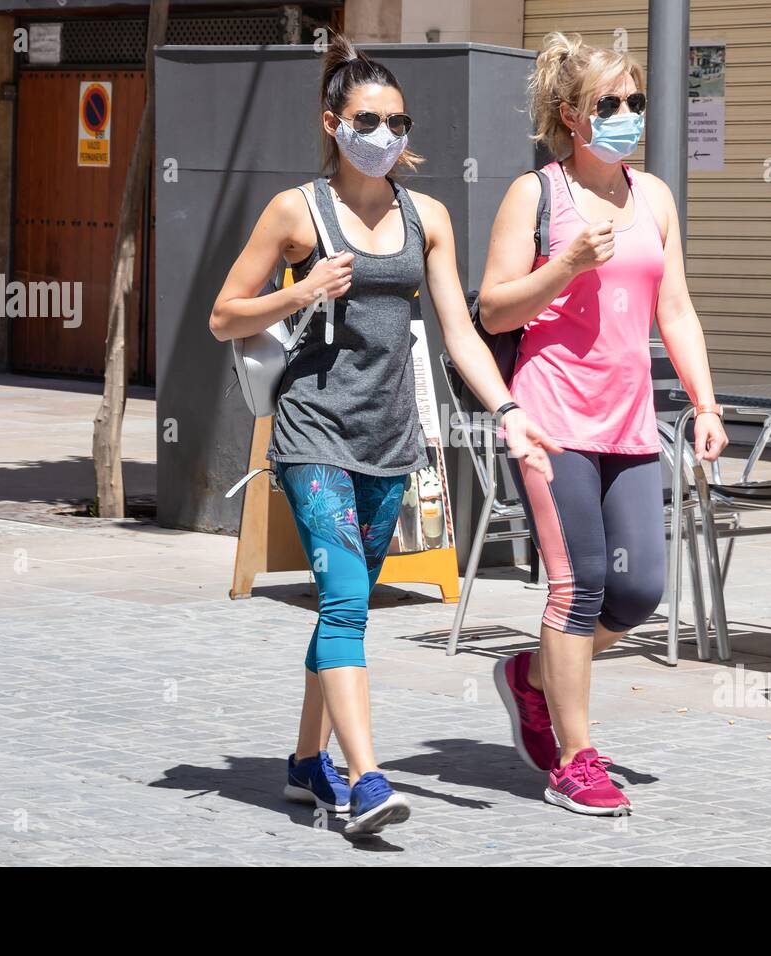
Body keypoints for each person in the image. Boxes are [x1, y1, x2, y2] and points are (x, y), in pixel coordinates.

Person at [209, 34, 560, 837]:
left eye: (398, 120)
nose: (386, 134)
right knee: (341, 601)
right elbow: (225, 313)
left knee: (349, 608)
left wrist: (506, 411)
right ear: (332, 123)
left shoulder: (425, 216)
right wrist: (298, 294)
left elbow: (459, 332)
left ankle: (304, 762)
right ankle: (364, 779)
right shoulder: (296, 211)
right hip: (312, 432)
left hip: (390, 435)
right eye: (370, 119)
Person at [478, 32, 728, 816]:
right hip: (552, 419)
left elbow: (675, 308)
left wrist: (706, 401)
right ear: (570, 115)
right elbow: (490, 308)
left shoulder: (652, 196)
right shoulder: (537, 195)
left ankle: (531, 677)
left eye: (635, 102)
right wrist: (566, 265)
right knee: (578, 586)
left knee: (639, 591)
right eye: (609, 104)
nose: (627, 115)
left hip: (630, 424)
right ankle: (575, 758)